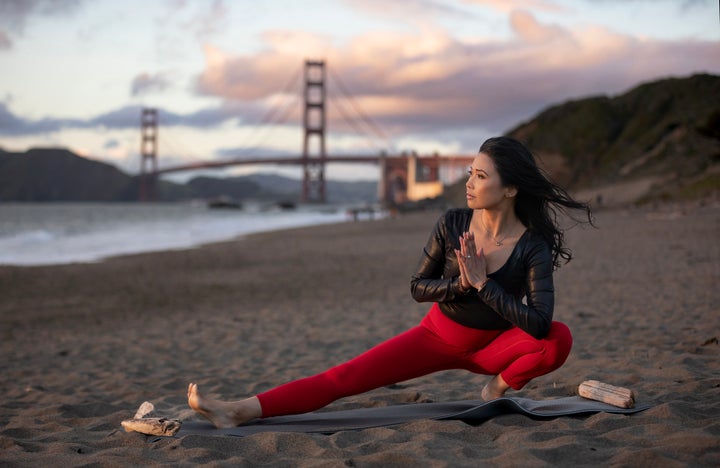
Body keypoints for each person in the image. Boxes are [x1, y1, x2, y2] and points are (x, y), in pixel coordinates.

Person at [188, 136, 594, 429]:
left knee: (559, 337)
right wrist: (462, 286)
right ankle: (238, 410)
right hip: (436, 337)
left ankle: (496, 389)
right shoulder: (452, 223)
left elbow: (539, 324)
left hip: (493, 350)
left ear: (509, 188)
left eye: (481, 176)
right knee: (343, 378)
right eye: (470, 173)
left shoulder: (531, 245)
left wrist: (485, 284)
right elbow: (418, 286)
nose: (468, 183)